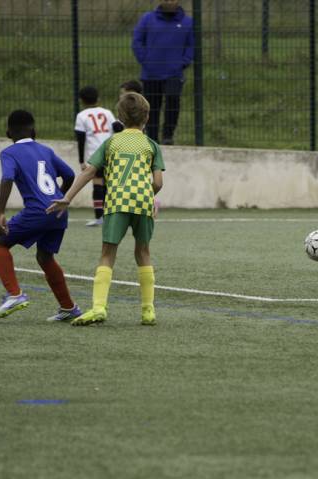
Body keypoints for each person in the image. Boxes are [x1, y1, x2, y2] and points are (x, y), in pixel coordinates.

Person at [47, 92, 164, 326]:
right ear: (147, 117)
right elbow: (158, 182)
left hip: (117, 200)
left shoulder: (111, 142)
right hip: (142, 201)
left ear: (119, 117)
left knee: (108, 253)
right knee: (143, 252)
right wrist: (149, 196)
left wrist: (67, 197)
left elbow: (89, 171)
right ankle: (148, 311)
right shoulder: (151, 145)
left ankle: (99, 308)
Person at [0, 110, 81, 321]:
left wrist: (1, 212)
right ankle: (69, 308)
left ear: (8, 133)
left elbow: (7, 178)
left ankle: (15, 294)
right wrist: (60, 197)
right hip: (59, 212)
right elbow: (69, 175)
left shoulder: (9, 153)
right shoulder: (46, 150)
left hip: (36, 212)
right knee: (45, 256)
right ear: (35, 131)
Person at [132, 0, 194, 145]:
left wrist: (183, 62)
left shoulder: (187, 22)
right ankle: (152, 138)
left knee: (173, 103)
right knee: (151, 106)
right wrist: (146, 61)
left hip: (174, 73)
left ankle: (168, 136)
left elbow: (191, 45)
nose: (169, 2)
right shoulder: (147, 19)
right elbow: (137, 41)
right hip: (151, 73)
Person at [75, 86, 120, 227]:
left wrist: (82, 160)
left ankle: (99, 216)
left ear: (81, 100)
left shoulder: (81, 116)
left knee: (98, 184)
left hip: (95, 154)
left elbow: (81, 139)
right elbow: (118, 128)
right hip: (111, 151)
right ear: (98, 98)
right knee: (109, 184)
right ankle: (111, 214)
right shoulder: (107, 112)